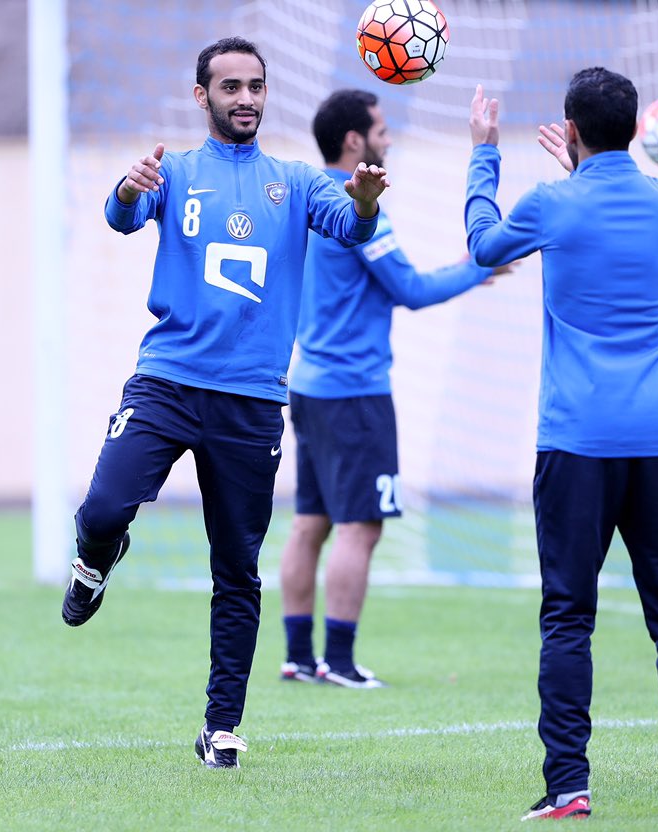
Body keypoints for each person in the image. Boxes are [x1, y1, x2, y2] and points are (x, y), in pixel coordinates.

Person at [60, 37, 389, 770]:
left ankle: (222, 725)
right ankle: (94, 563)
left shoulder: (298, 181)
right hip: (169, 382)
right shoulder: (173, 171)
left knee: (237, 568)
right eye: (231, 87)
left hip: (251, 402)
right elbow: (120, 217)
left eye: (256, 86)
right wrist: (123, 187)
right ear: (202, 96)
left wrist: (365, 206)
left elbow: (350, 225)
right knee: (105, 508)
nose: (246, 98)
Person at [464, 68, 658, 819]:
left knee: (569, 615)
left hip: (576, 443)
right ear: (637, 130)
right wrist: (583, 165)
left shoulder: (552, 204)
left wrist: (484, 152)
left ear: (569, 131)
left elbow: (482, 246)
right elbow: (609, 203)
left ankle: (569, 784)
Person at [278, 89, 509, 689]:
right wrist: (478, 267)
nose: (387, 136)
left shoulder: (306, 201)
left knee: (311, 522)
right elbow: (410, 289)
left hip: (307, 385)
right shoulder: (357, 206)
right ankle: (342, 662)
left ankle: (300, 658)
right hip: (353, 392)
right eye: (379, 128)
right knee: (361, 527)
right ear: (354, 141)